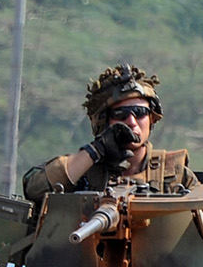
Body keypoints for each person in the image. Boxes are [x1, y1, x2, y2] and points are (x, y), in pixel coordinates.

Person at [21, 64, 189, 201]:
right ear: (103, 122)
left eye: (139, 112)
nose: (131, 121)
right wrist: (96, 150)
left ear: (151, 118)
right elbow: (34, 190)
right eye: (120, 115)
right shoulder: (81, 170)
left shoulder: (175, 174)